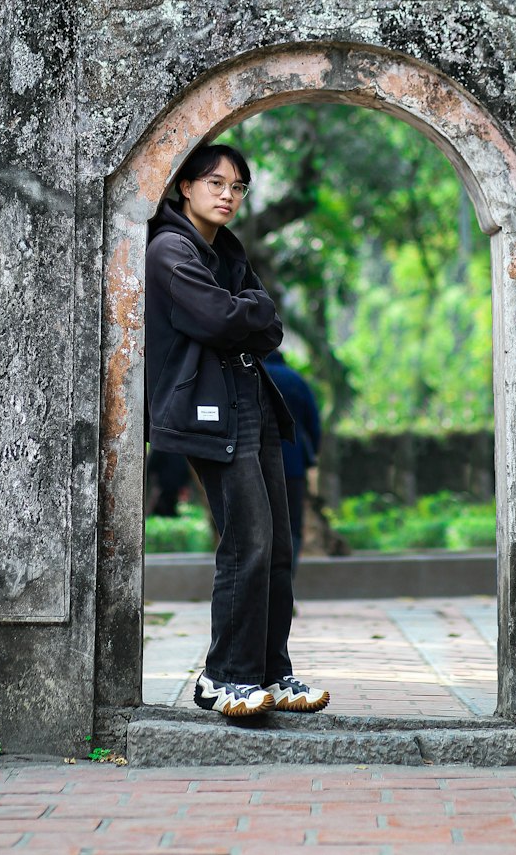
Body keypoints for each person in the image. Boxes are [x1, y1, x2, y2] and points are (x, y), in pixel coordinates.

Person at [144, 142, 330, 721]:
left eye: (238, 187)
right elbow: (221, 318)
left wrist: (245, 313)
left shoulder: (225, 250)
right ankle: (224, 677)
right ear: (185, 187)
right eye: (217, 183)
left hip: (251, 402)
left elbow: (266, 324)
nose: (229, 195)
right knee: (246, 542)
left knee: (275, 547)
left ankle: (272, 672)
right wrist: (244, 312)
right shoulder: (169, 248)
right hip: (207, 411)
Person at [264, 350, 321, 574]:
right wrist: (310, 455)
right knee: (290, 527)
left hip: (253, 463)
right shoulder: (296, 380)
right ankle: (285, 582)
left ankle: (260, 585)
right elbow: (314, 425)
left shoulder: (252, 375)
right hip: (292, 464)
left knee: (258, 524)